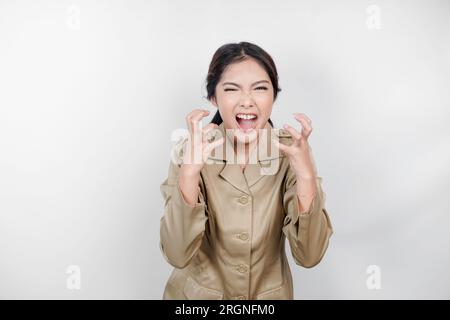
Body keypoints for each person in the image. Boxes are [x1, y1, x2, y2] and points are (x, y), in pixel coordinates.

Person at [159, 42, 333, 300]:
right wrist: (189, 173)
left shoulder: (291, 151)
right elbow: (177, 254)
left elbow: (309, 256)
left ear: (274, 95)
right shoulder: (192, 150)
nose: (247, 101)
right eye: (231, 89)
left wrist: (306, 177)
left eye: (260, 89)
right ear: (213, 98)